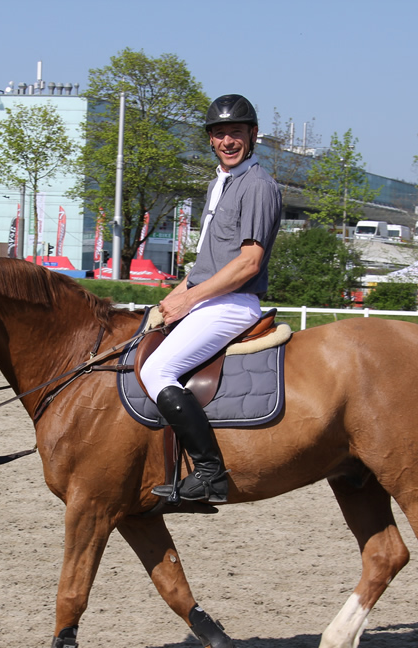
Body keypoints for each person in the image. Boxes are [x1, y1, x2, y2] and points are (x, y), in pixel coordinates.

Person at [139, 94, 282, 504]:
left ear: (252, 136)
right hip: (207, 298)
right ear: (210, 140)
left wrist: (190, 300)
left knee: (157, 370)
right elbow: (207, 264)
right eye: (219, 134)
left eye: (236, 132)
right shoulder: (218, 184)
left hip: (233, 303)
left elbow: (249, 262)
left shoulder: (257, 185)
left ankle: (209, 474)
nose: (227, 141)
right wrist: (174, 298)